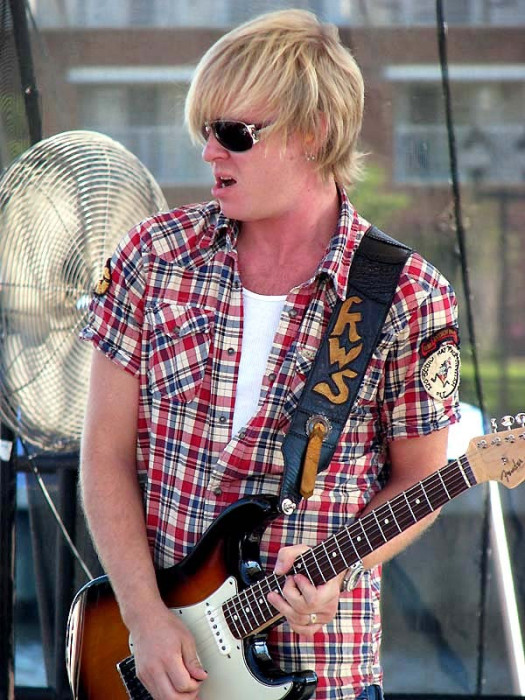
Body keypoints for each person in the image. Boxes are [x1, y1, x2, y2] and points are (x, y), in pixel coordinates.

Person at [79, 9, 460, 700]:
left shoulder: (408, 294)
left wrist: (344, 568)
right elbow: (104, 454)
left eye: (233, 134)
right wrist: (142, 616)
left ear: (313, 133)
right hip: (153, 664)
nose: (209, 153)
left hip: (324, 671)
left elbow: (420, 479)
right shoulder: (153, 257)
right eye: (204, 130)